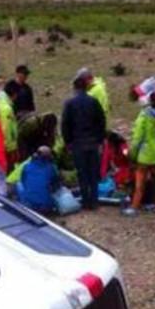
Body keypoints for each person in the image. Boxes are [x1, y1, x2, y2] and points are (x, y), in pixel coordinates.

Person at [61, 70, 106, 210]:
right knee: (93, 173)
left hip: (77, 144)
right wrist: (99, 139)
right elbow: (101, 121)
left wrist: (68, 142)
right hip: (92, 143)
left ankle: (86, 202)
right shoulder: (93, 102)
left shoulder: (69, 103)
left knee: (82, 173)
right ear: (86, 87)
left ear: (75, 88)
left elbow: (65, 124)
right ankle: (94, 201)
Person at [123, 92, 155, 217]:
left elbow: (137, 138)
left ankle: (134, 206)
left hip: (144, 154)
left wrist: (132, 154)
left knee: (140, 183)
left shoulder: (144, 116)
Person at [14, 146, 60, 214]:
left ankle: (24, 201)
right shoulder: (51, 167)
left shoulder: (26, 166)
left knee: (18, 183)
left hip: (29, 206)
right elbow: (56, 183)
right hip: (47, 207)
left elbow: (23, 181)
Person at [0, 81, 20, 172]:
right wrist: (11, 149)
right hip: (5, 146)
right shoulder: (7, 109)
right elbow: (7, 130)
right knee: (8, 171)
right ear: (14, 94)